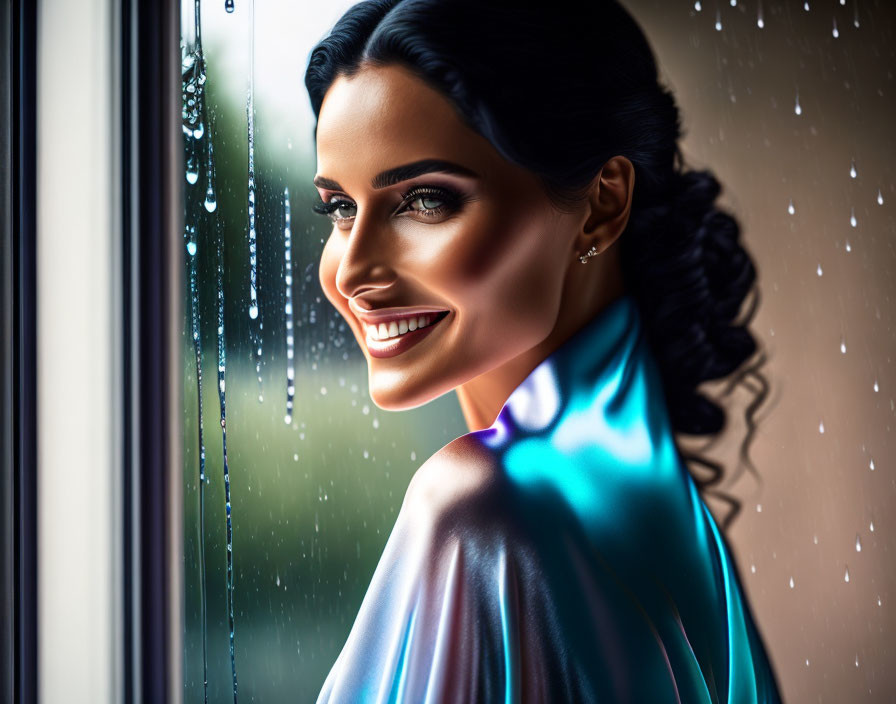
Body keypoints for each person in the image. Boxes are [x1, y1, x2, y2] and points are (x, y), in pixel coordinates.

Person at [304, 0, 783, 701]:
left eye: (424, 200)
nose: (351, 271)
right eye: (340, 208)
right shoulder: (670, 510)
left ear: (601, 203)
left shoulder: (479, 510)